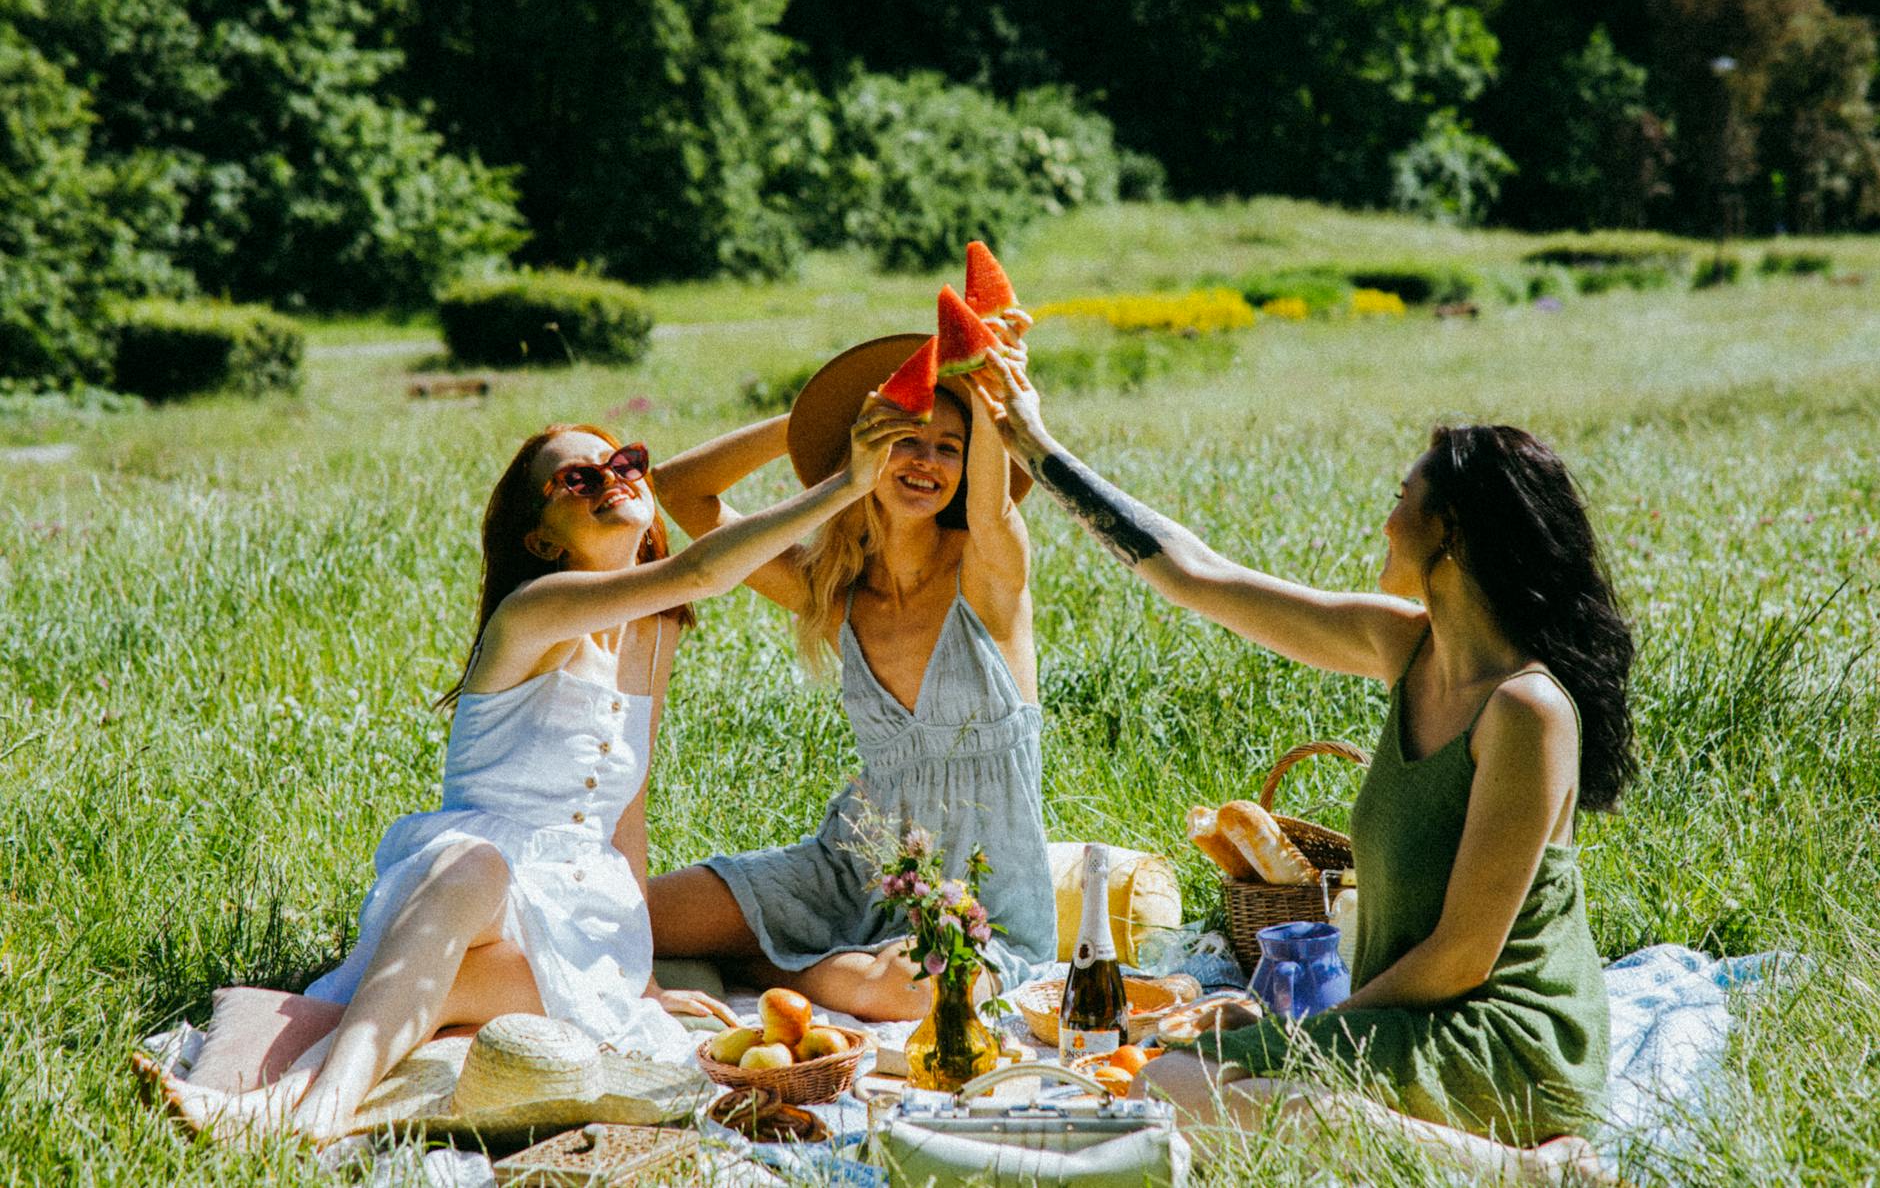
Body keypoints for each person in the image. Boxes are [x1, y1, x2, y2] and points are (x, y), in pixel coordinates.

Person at [163, 408, 915, 1142]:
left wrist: (643, 973)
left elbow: (630, 807)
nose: (610, 481)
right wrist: (846, 479)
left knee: (425, 1001)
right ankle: (323, 1116)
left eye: (624, 464)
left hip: (580, 920)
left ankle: (273, 1108)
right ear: (540, 538)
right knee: (474, 864)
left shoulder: (653, 630)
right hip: (465, 891)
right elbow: (704, 566)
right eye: (578, 479)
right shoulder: (535, 609)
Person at [978, 345, 1629, 1182]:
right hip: (1416, 1013)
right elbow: (1198, 575)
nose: (1385, 520)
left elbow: (1466, 954)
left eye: (1403, 500)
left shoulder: (1526, 711)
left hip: (1507, 1037)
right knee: (1183, 1075)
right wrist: (1038, 449)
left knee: (1178, 1087)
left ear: (1453, 536)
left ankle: (1532, 1174)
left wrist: (1308, 1031)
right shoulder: (1405, 646)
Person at [647, 332, 1054, 1021]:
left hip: (976, 898)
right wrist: (816, 426)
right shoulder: (835, 593)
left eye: (948, 446)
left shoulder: (987, 571)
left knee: (922, 987)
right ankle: (816, 957)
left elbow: (994, 508)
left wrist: (990, 384)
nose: (926, 461)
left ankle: (766, 962)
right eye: (905, 437)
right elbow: (681, 491)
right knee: (638, 913)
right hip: (848, 867)